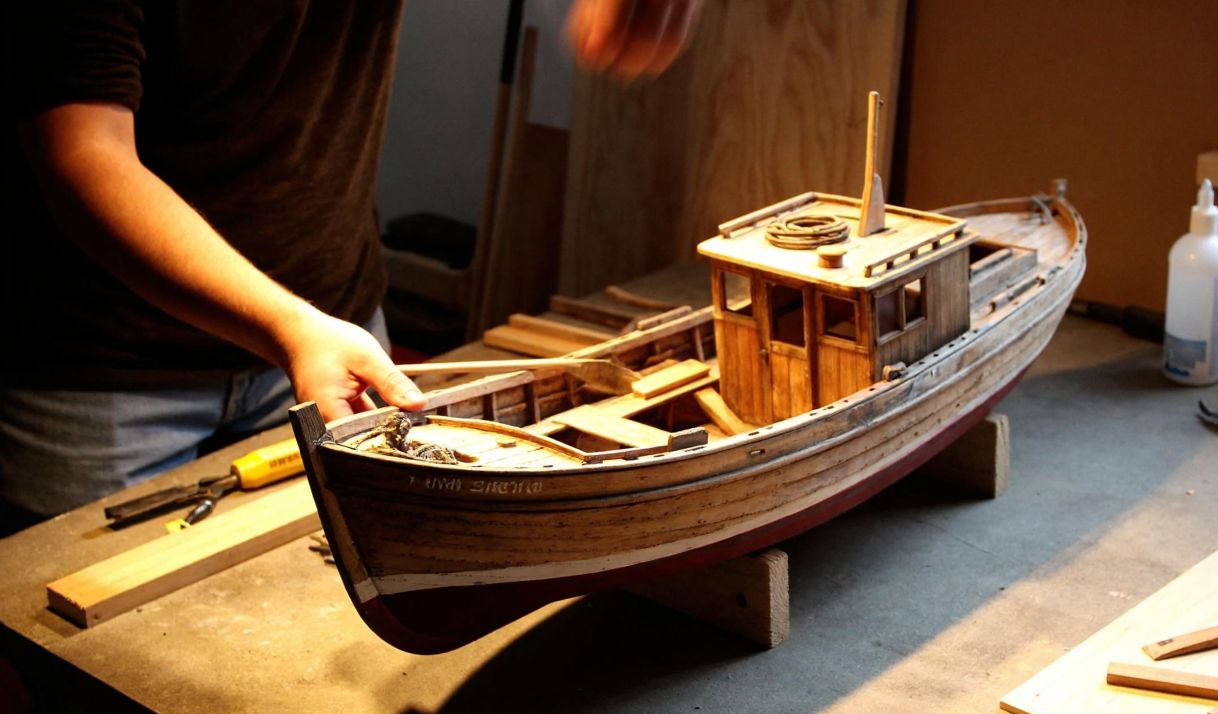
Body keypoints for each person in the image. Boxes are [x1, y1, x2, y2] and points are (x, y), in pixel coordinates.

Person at [1, 0, 701, 533]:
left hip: (329, 329)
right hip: (102, 375)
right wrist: (291, 326)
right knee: (102, 678)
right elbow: (82, 157)